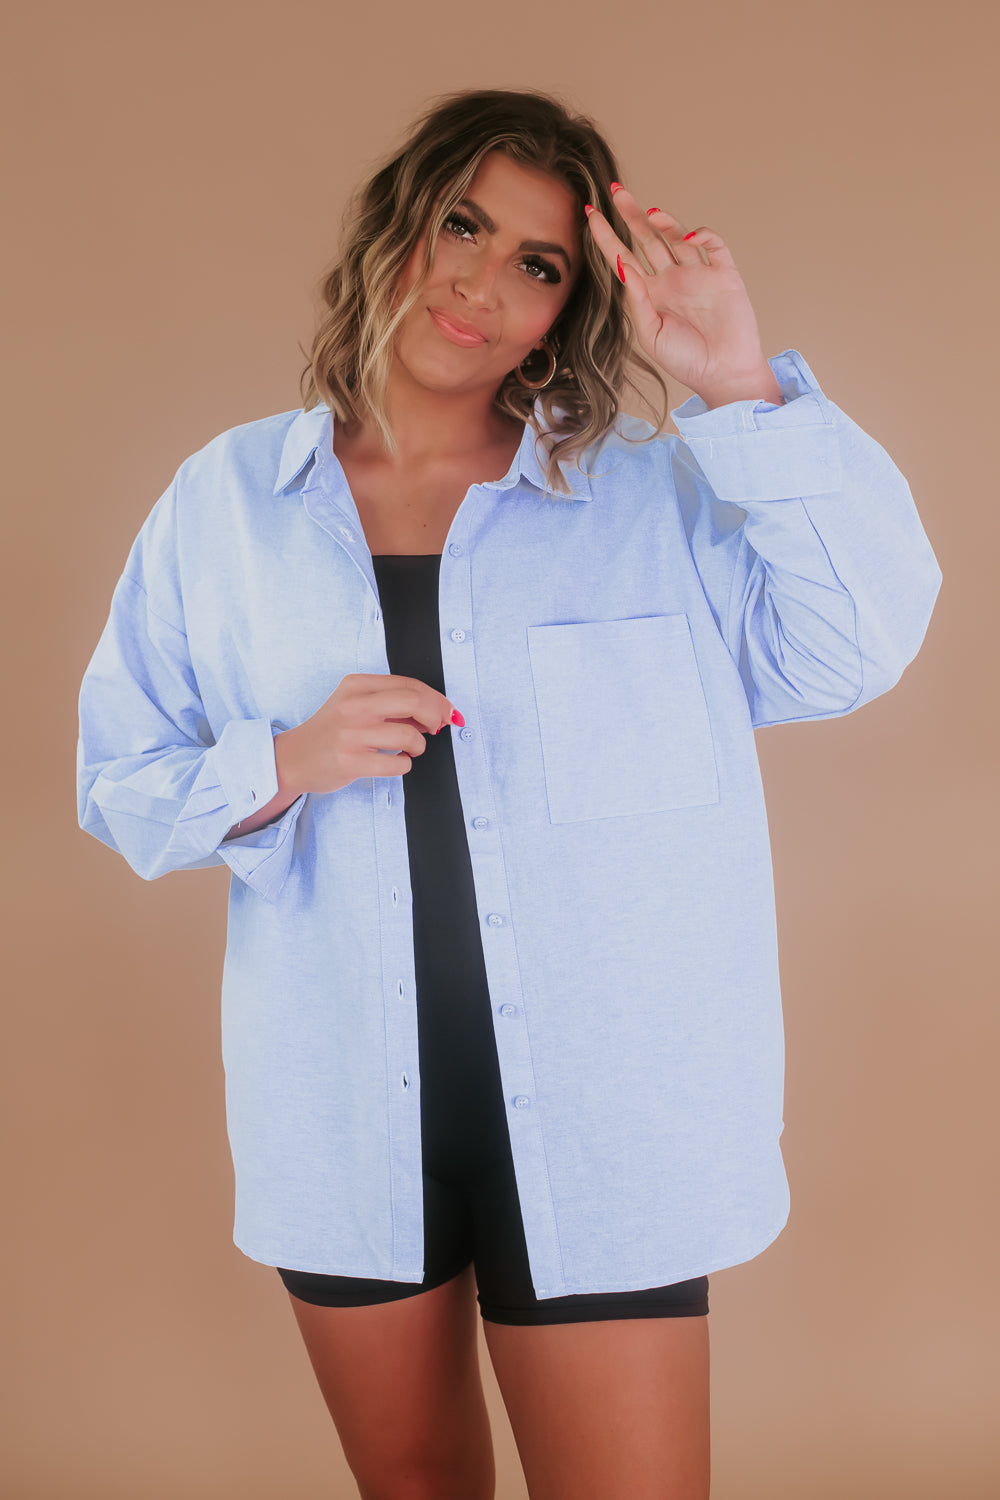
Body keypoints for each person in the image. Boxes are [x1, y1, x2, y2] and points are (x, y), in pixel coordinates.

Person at [76, 87, 942, 1500]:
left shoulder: (652, 502)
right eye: (462, 225)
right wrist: (279, 762)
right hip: (347, 1114)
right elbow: (120, 781)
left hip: (608, 1119)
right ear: (397, 227)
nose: (481, 281)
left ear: (563, 314)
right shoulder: (224, 505)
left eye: (537, 263)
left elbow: (862, 641)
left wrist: (740, 384)